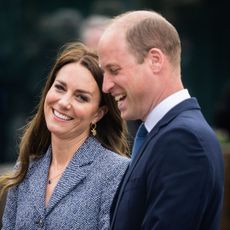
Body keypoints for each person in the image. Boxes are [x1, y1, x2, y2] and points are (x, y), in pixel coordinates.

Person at [97, 10, 224, 230]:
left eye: (114, 70)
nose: (106, 86)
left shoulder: (183, 140)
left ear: (155, 60)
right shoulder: (165, 134)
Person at [0, 42, 130, 229]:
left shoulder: (117, 172)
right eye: (60, 88)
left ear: (98, 114)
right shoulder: (27, 167)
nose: (63, 102)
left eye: (81, 97)